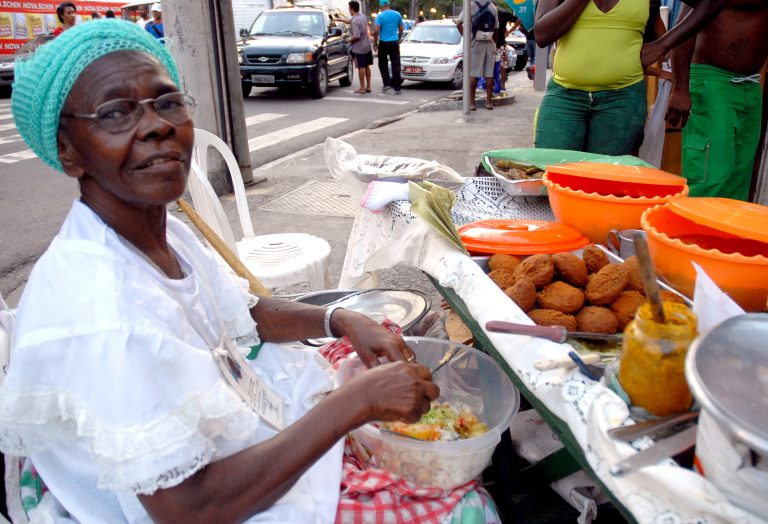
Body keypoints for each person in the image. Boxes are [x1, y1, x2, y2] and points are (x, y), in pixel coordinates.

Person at [0, 19, 501, 523]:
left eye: (168, 102)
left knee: (379, 339)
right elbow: (188, 509)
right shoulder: (101, 309)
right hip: (203, 501)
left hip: (239, 421)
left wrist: (344, 320)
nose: (157, 126)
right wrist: (356, 404)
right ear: (68, 151)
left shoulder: (162, 230)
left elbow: (243, 313)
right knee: (466, 507)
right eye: (115, 113)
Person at [665, 0, 768, 200]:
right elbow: (684, 26)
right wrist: (680, 88)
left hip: (751, 85)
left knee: (738, 180)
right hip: (711, 81)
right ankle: (692, 229)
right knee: (709, 178)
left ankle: (723, 231)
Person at [533, 0, 665, 155]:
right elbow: (542, 35)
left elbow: (699, 9)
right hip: (564, 95)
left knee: (607, 175)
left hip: (623, 99)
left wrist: (663, 46)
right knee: (552, 168)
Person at [457, 0, 499, 111]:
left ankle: (472, 103)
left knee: (473, 73)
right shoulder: (493, 7)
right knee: (489, 75)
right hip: (489, 42)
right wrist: (494, 43)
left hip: (475, 42)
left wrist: (467, 38)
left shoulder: (470, 5)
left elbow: (458, 23)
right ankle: (489, 102)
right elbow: (496, 28)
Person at [373, 0, 404, 94]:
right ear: (389, 4)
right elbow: (401, 29)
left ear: (381, 5)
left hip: (383, 42)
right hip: (394, 41)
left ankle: (386, 84)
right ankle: (397, 87)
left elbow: (376, 30)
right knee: (396, 64)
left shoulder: (380, 16)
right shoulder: (397, 14)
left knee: (382, 63)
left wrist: (375, 43)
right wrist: (398, 38)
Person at [348, 0, 373, 94]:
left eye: (349, 8)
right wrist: (339, 20)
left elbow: (356, 36)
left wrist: (348, 40)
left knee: (360, 67)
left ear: (351, 8)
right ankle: (368, 86)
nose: (349, 10)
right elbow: (350, 21)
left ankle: (362, 88)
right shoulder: (362, 17)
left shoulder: (354, 21)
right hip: (367, 46)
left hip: (359, 48)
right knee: (367, 66)